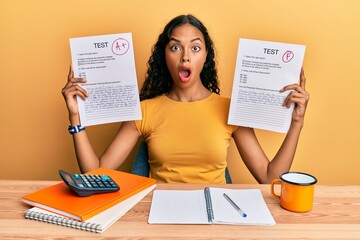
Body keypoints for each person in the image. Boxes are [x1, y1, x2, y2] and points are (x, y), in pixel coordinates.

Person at [62, 14, 309, 184]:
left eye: (195, 47)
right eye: (175, 47)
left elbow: (269, 178)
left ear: (205, 57)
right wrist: (75, 116)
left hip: (215, 219)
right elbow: (94, 172)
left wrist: (296, 122)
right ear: (165, 56)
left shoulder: (231, 109)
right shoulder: (144, 111)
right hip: (159, 217)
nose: (185, 57)